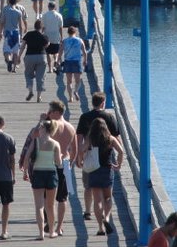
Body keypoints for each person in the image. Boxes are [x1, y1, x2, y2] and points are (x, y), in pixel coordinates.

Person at [76, 92, 121, 221]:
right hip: (107, 156)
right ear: (103, 102)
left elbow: (79, 138)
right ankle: (106, 218)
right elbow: (116, 137)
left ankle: (87, 211)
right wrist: (119, 156)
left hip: (89, 155)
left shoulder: (85, 117)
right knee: (107, 192)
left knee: (88, 185)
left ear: (93, 102)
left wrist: (79, 157)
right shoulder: (110, 117)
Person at [77, 118, 124, 236]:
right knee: (108, 198)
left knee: (97, 200)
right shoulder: (110, 138)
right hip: (107, 170)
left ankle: (100, 228)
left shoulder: (90, 139)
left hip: (94, 170)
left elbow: (82, 150)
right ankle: (107, 218)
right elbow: (121, 151)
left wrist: (81, 160)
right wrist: (119, 164)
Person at [23, 119, 62, 240]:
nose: (38, 130)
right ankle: (51, 232)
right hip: (51, 174)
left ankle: (41, 234)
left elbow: (27, 157)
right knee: (50, 206)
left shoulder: (35, 142)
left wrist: (25, 172)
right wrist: (59, 156)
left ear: (44, 129)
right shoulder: (55, 144)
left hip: (38, 173)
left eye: (40, 128)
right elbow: (58, 163)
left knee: (39, 205)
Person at [45, 100, 77, 236]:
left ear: (56, 112)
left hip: (51, 163)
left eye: (50, 111)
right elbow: (75, 149)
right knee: (62, 198)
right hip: (65, 163)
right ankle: (59, 227)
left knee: (48, 197)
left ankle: (50, 224)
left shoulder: (51, 126)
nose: (49, 114)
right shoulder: (70, 127)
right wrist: (71, 163)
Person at [18, 19, 49, 102]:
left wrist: (19, 56)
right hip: (41, 57)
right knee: (40, 77)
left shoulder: (28, 34)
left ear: (34, 26)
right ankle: (39, 97)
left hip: (29, 56)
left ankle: (31, 91)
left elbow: (23, 46)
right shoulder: (44, 36)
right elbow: (46, 46)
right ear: (42, 27)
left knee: (28, 75)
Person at [0, 0, 27, 73]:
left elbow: (2, 22)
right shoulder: (18, 12)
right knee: (15, 51)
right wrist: (21, 35)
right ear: (15, 3)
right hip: (16, 32)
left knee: (6, 51)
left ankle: (9, 60)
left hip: (7, 32)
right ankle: (13, 68)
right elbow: (21, 25)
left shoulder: (5, 10)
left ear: (9, 2)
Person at [58, 26, 87, 102]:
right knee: (78, 81)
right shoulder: (80, 40)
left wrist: (58, 60)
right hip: (77, 61)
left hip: (68, 62)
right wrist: (85, 60)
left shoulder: (65, 41)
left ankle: (70, 97)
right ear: (75, 32)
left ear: (68, 32)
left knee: (69, 81)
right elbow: (84, 52)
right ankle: (76, 91)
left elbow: (60, 51)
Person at [41, 1, 64, 73]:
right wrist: (61, 37)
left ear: (48, 7)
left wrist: (41, 34)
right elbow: (60, 27)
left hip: (47, 36)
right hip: (56, 35)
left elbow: (43, 27)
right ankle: (56, 62)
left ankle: (50, 69)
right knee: (56, 52)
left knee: (48, 53)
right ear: (55, 7)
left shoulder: (44, 15)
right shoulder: (59, 15)